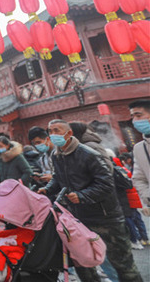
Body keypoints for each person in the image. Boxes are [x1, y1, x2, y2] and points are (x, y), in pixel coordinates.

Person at [39, 119, 142, 282]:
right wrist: (48, 188)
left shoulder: (89, 154)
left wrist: (82, 195)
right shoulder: (56, 154)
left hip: (105, 217)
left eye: (56, 131)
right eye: (50, 132)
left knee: (123, 266)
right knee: (83, 265)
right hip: (77, 218)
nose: (52, 135)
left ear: (69, 133)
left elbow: (107, 183)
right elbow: (58, 177)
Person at [129, 99, 150, 217]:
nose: (135, 120)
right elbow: (138, 178)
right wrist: (148, 196)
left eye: (139, 115)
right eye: (133, 116)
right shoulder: (139, 148)